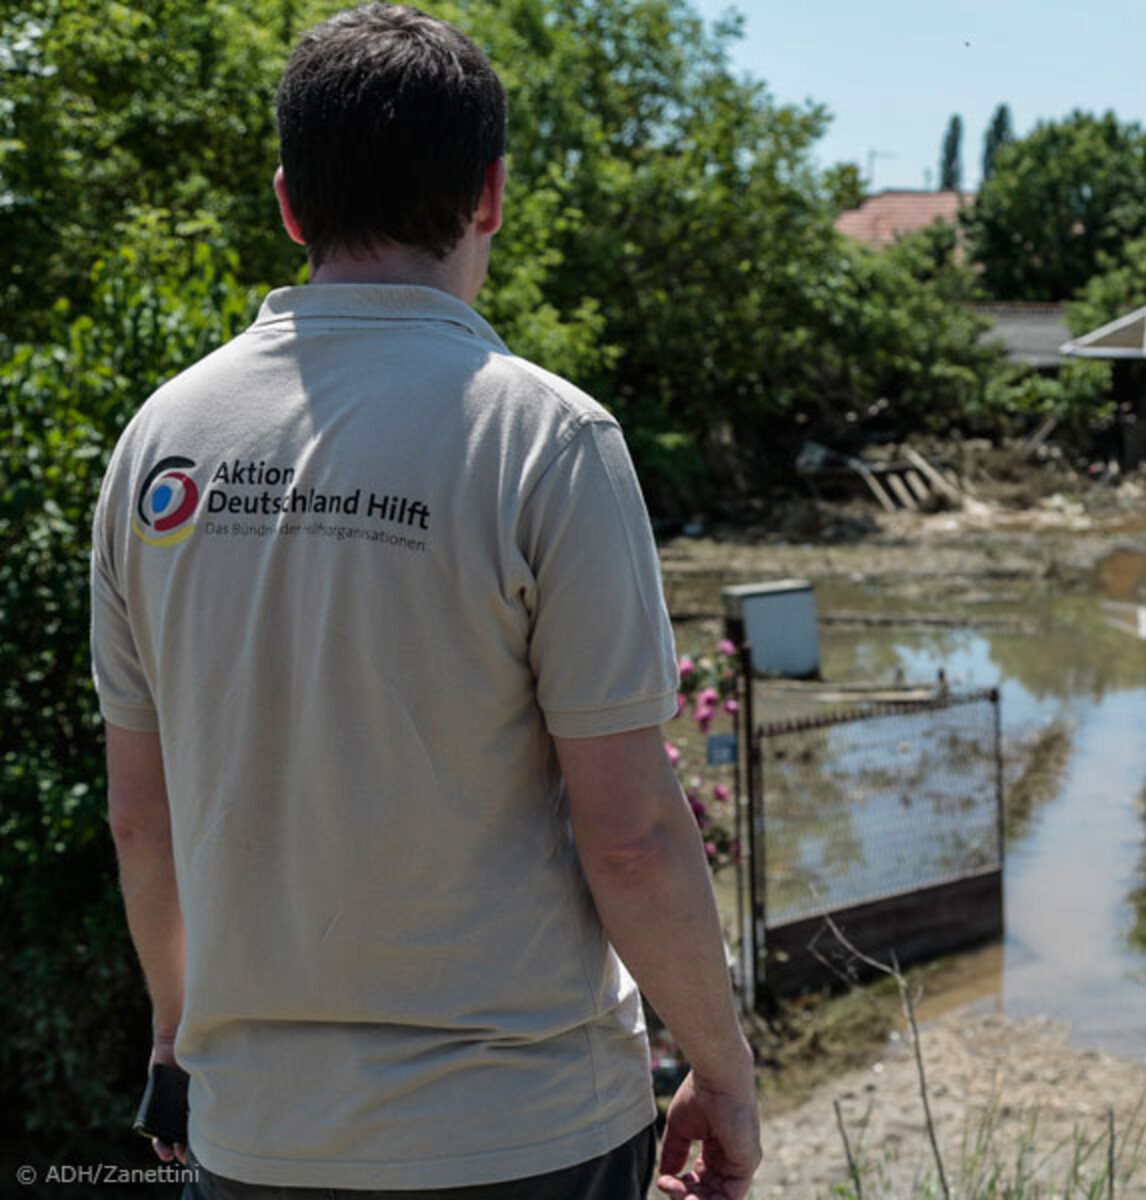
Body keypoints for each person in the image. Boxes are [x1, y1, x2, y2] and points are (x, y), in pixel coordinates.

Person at [90, 4, 760, 1197]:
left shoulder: (158, 445)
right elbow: (632, 835)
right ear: (492, 195)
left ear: (290, 202)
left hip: (255, 1141)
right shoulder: (545, 439)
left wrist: (175, 1039)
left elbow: (142, 819)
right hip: (527, 1134)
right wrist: (720, 1069)